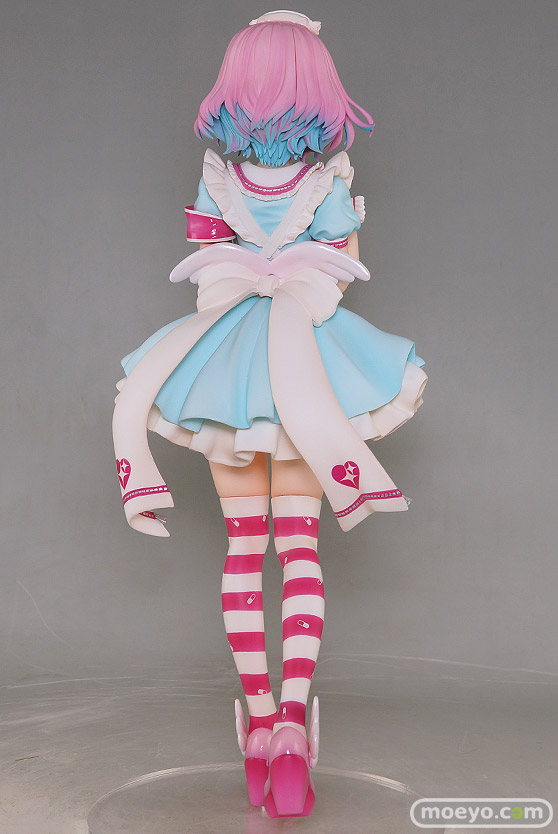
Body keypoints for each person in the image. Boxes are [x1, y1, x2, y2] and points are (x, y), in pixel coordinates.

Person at [112, 9, 427, 818]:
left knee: (244, 549)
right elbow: (345, 267)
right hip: (304, 369)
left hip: (230, 367)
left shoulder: (219, 174)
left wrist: (250, 271)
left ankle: (256, 724)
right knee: (300, 548)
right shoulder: (328, 179)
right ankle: (292, 720)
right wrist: (305, 267)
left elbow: (204, 261)